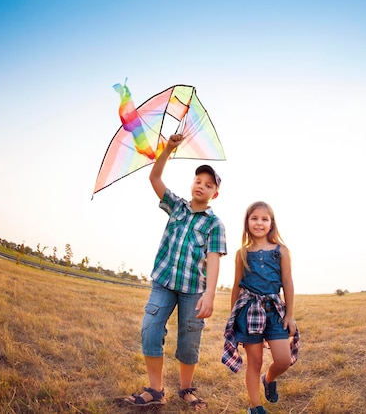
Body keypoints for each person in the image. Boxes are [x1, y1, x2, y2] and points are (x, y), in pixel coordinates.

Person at [126, 133, 227, 409]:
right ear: (192, 184)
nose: (201, 186)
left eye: (208, 185)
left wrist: (210, 295)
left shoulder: (214, 224)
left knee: (189, 340)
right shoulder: (177, 207)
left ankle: (185, 389)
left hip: (193, 290)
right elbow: (154, 179)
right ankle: (156, 390)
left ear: (214, 193)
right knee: (150, 330)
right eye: (198, 181)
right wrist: (168, 149)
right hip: (164, 282)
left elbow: (215, 259)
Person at [222, 201, 300, 414]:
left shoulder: (281, 251)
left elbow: (287, 282)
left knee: (283, 360)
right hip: (248, 313)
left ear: (271, 223)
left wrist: (290, 315)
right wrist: (233, 319)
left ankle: (269, 378)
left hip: (274, 312)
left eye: (264, 219)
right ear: (247, 223)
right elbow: (236, 286)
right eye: (254, 218)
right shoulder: (242, 253)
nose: (259, 223)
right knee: (254, 362)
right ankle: (255, 407)